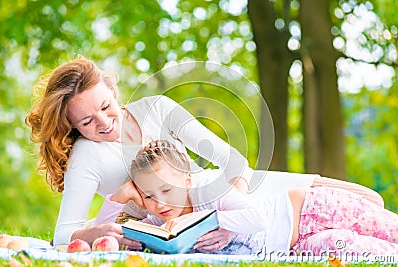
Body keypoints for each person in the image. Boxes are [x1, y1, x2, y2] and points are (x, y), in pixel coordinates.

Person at [25, 56, 384, 249]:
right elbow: (63, 234)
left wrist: (227, 221)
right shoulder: (88, 157)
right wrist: (110, 218)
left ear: (114, 91)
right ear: (72, 126)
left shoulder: (156, 108)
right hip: (204, 235)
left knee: (366, 202)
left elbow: (233, 162)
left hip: (241, 201)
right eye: (87, 121)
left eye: (106, 106)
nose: (104, 122)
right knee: (353, 241)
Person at [98, 140, 398, 256]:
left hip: (311, 209)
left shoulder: (210, 189)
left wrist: (212, 219)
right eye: (148, 196)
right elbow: (112, 238)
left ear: (187, 179)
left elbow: (258, 217)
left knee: (391, 231)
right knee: (353, 250)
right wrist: (120, 198)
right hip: (295, 247)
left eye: (166, 190)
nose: (160, 203)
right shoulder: (160, 223)